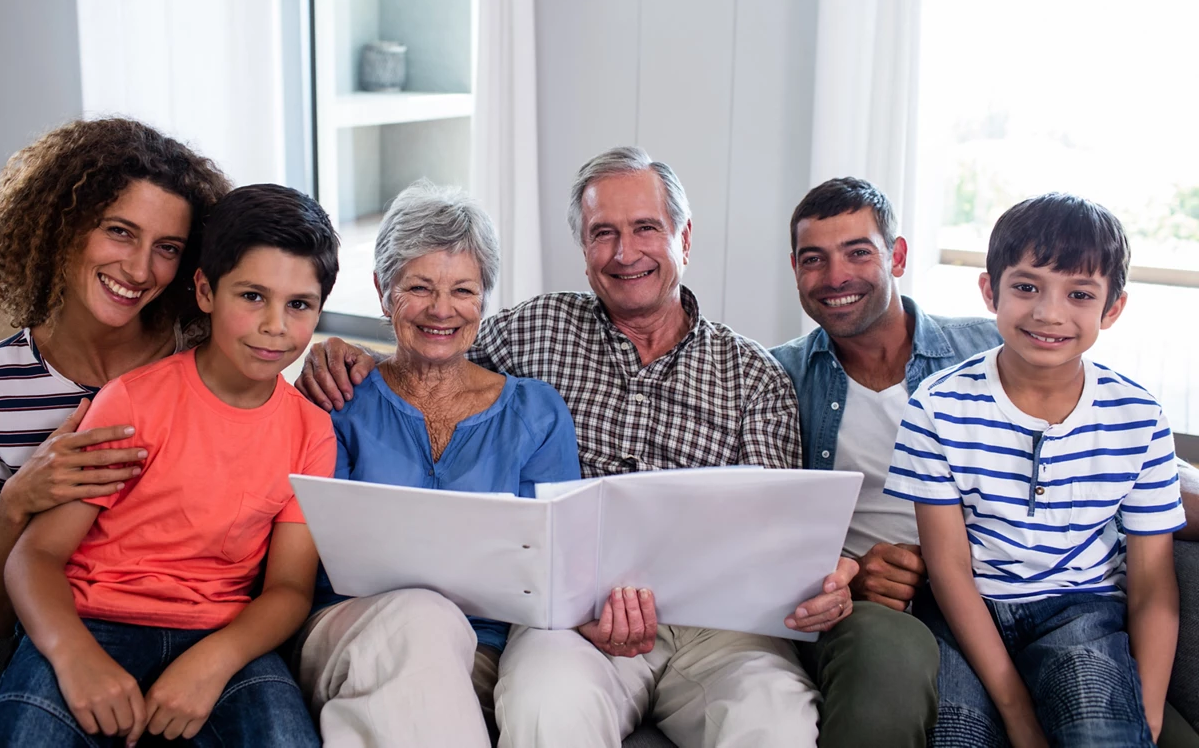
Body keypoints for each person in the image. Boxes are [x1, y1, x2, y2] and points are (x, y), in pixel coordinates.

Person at [298, 147, 856, 748]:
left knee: (774, 725)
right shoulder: (529, 332)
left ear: (684, 237)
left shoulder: (754, 376)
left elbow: (783, 541)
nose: (625, 252)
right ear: (583, 250)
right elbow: (435, 350)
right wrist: (342, 354)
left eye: (646, 228)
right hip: (577, 624)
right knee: (546, 703)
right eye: (602, 233)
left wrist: (821, 584)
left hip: (717, 631)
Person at [0, 184, 340, 747]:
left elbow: (289, 588)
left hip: (221, 636)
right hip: (93, 621)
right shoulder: (131, 402)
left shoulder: (312, 432)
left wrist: (214, 661)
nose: (275, 327)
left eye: (299, 305)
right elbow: (36, 556)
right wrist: (73, 655)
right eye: (252, 296)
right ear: (205, 291)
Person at [885, 193, 1184, 747]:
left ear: (1111, 309)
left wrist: (1146, 713)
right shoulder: (938, 406)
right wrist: (1019, 716)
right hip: (962, 613)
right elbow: (949, 570)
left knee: (1102, 731)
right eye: (1026, 287)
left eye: (1079, 294)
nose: (1049, 313)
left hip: (1082, 612)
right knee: (957, 736)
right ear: (989, 291)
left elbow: (1151, 584)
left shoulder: (1138, 417)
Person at [297, 180, 581, 748]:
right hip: (351, 635)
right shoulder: (338, 398)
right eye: (419, 287)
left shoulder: (535, 412)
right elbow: (317, 555)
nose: (441, 310)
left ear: (485, 298)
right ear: (382, 291)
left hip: (480, 649)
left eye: (464, 290)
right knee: (422, 619)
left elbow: (554, 565)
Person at [0, 118, 230, 636]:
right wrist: (17, 503)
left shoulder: (207, 354)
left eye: (168, 248)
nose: (139, 271)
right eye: (119, 231)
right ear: (63, 226)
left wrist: (338, 358)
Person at [770, 178, 1001, 747]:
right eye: (813, 259)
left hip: (996, 589)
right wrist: (847, 566)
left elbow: (1119, 454)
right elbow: (757, 524)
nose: (835, 278)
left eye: (858, 253)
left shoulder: (990, 352)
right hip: (865, 607)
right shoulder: (776, 377)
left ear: (896, 256)